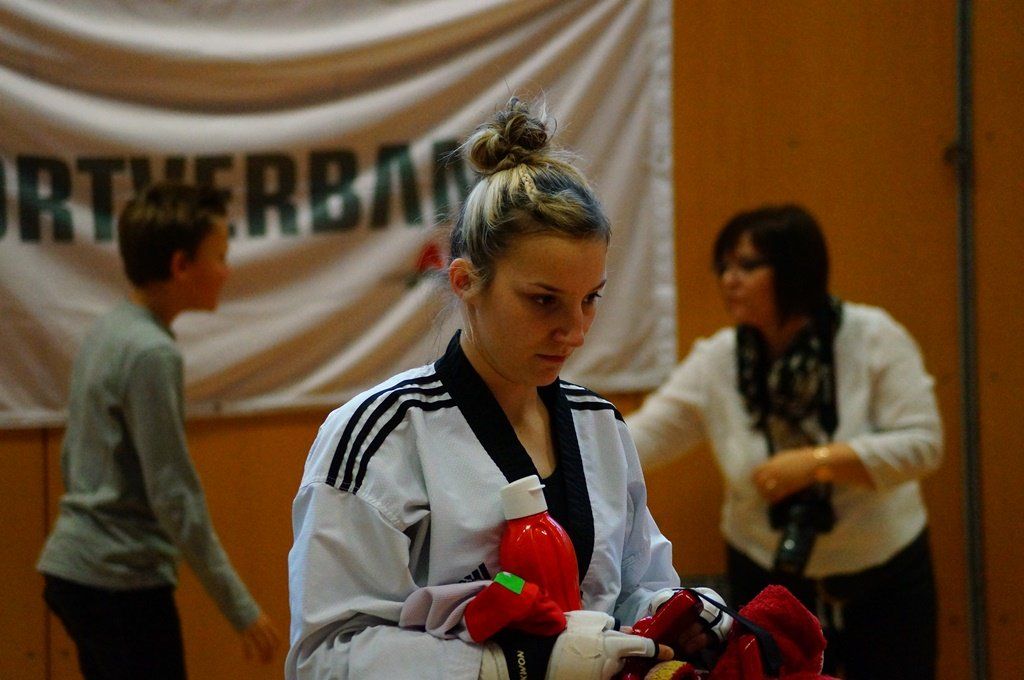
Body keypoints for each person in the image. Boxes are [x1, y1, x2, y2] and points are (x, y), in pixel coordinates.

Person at [286, 98, 732, 680]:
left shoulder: (598, 424)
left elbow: (629, 591)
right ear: (465, 281)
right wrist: (508, 666)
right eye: (544, 300)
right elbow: (325, 656)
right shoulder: (381, 434)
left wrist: (677, 614)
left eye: (590, 299)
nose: (574, 331)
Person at [626, 204, 942, 680]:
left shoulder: (872, 336)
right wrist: (569, 447)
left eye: (747, 266)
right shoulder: (719, 359)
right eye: (724, 267)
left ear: (796, 269)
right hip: (767, 572)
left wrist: (818, 462)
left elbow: (923, 443)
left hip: (884, 575)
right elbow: (643, 436)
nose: (729, 280)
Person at [37, 182, 281, 680]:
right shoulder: (151, 353)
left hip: (77, 573)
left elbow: (72, 456)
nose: (227, 270)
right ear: (180, 265)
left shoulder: (110, 330)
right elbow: (174, 495)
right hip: (118, 583)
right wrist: (240, 606)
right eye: (219, 256)